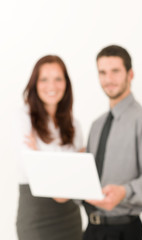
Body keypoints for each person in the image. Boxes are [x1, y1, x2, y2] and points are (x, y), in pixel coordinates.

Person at [83, 45, 142, 240]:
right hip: (91, 230)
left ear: (130, 74)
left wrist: (124, 192)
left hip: (124, 231)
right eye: (102, 72)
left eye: (115, 71)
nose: (108, 79)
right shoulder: (96, 124)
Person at [14, 55, 83, 240]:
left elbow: (80, 173)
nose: (51, 86)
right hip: (37, 216)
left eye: (58, 79)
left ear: (66, 83)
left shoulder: (74, 126)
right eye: (44, 79)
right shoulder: (24, 118)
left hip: (70, 216)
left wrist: (40, 159)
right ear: (35, 83)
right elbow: (28, 169)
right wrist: (66, 177)